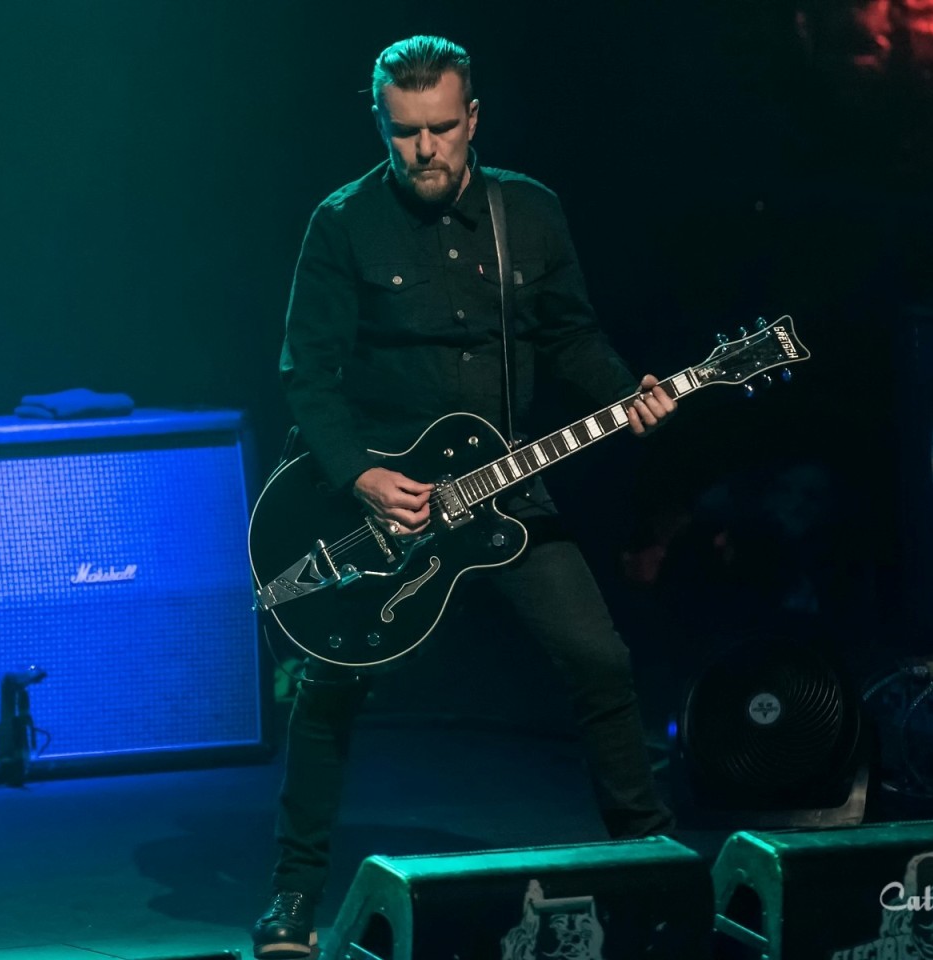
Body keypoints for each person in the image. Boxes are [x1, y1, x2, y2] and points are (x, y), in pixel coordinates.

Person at [252, 34, 677, 959]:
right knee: (330, 684)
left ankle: (654, 864)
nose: (426, 149)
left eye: (442, 128)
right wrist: (361, 476)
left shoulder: (530, 211)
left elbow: (570, 336)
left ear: (473, 118)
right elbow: (306, 374)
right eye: (405, 132)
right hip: (383, 507)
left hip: (505, 491)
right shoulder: (341, 223)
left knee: (600, 662)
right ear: (380, 125)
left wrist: (627, 393)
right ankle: (292, 893)